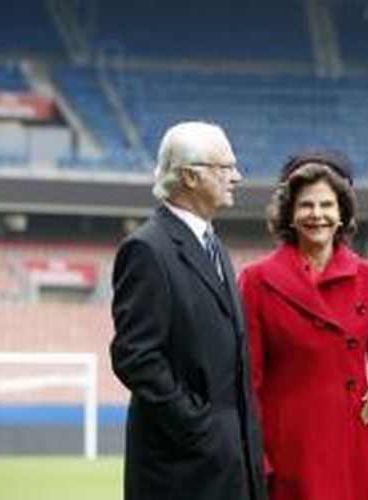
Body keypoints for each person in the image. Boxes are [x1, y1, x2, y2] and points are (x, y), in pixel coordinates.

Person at [238, 151, 368, 500]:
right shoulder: (256, 281)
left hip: (356, 445)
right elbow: (248, 382)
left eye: (327, 205)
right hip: (290, 451)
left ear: (341, 214)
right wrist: (258, 459)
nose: (317, 215)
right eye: (306, 206)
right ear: (289, 214)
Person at [110, 121, 267, 500]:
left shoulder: (214, 246)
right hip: (183, 470)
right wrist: (197, 427)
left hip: (230, 462)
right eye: (225, 168)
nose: (237, 176)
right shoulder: (148, 249)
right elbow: (135, 356)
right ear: (190, 177)